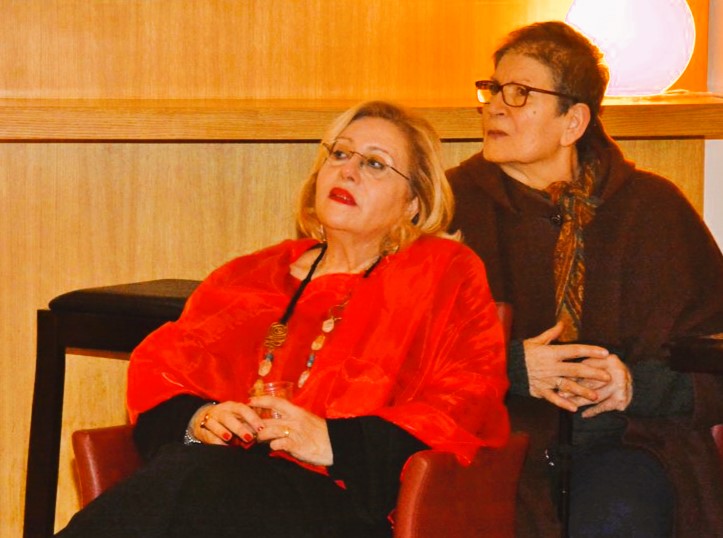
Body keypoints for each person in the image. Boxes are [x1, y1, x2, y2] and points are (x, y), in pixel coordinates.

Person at [56, 100, 509, 537]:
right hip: (220, 488)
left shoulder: (443, 272)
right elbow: (164, 371)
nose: (347, 171)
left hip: (349, 505)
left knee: (197, 478)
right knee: (198, 476)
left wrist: (333, 441)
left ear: (414, 201)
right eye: (340, 154)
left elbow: (467, 400)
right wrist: (201, 419)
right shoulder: (249, 277)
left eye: (374, 164)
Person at [448, 21, 723, 538]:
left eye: (520, 93)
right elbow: (397, 355)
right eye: (493, 89)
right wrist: (509, 366)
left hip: (631, 444)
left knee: (618, 512)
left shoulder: (653, 209)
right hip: (491, 446)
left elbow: (714, 361)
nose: (495, 107)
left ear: (573, 121)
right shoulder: (448, 208)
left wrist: (633, 387)